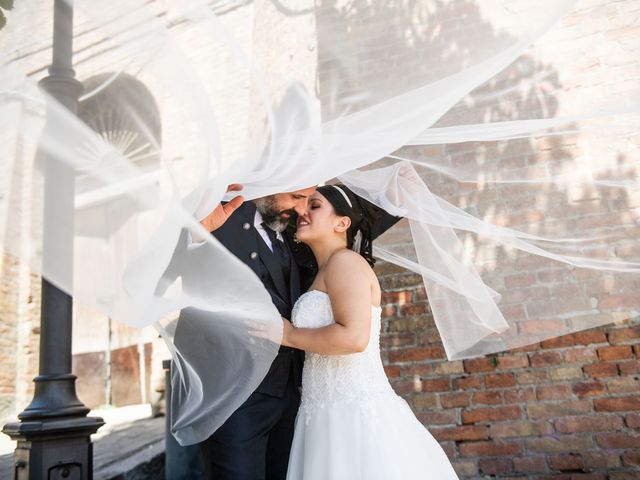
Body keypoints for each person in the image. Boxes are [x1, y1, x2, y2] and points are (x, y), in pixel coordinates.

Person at [278, 185, 459, 479]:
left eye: (315, 206)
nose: (302, 212)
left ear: (342, 223)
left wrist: (288, 336)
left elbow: (353, 338)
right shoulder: (324, 271)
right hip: (322, 410)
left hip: (352, 412)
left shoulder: (345, 263)